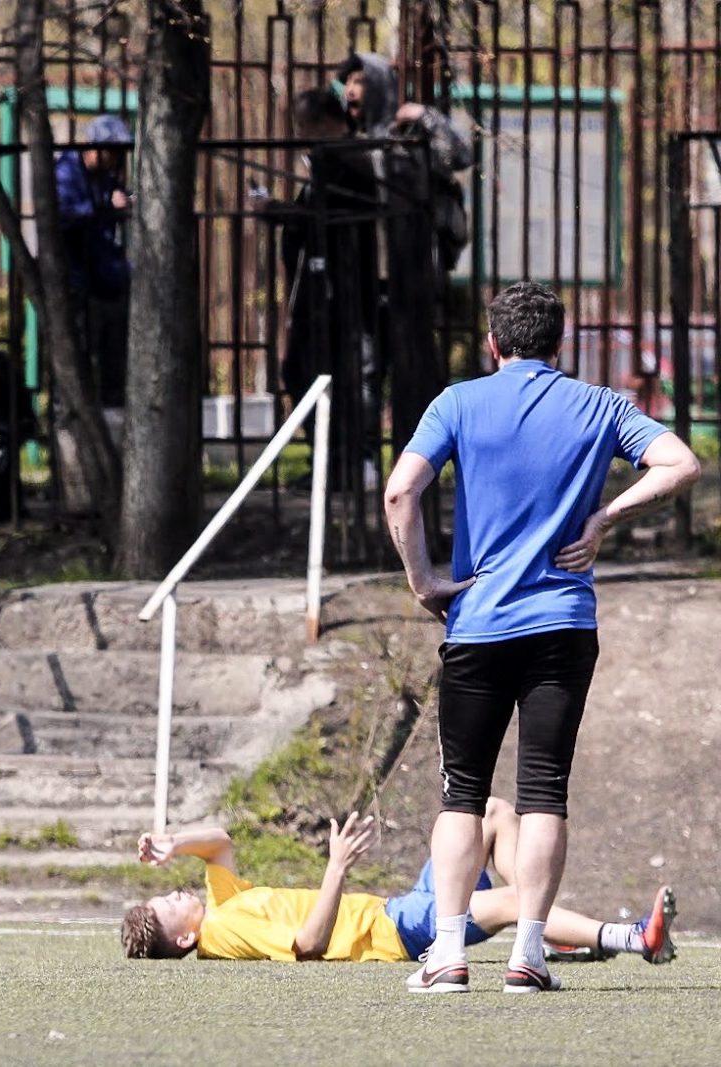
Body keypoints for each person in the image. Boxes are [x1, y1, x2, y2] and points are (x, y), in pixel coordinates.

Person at [382, 281, 700, 993]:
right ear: (562, 343)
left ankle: (450, 954)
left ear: (494, 343)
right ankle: (529, 952)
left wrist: (424, 580)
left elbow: (400, 492)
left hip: (477, 622)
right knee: (543, 794)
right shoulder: (601, 405)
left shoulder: (457, 402)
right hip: (562, 625)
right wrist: (604, 518)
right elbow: (681, 463)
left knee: (461, 794)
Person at [121, 798, 677, 977]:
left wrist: (174, 841)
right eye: (167, 905)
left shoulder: (219, 905)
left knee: (492, 814)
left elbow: (219, 841)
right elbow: (307, 945)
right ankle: (632, 939)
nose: (174, 893)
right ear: (188, 940)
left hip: (401, 907)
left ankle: (548, 939)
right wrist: (335, 867)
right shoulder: (223, 931)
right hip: (401, 933)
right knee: (511, 902)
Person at [338, 51, 474, 463]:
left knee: (415, 376)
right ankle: (363, 462)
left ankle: (421, 464)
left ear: (378, 87)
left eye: (359, 80)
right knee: (364, 373)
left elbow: (462, 156)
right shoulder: (348, 147)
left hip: (411, 281)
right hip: (363, 282)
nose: (350, 91)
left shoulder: (410, 142)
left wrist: (426, 116)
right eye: (347, 83)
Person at [254, 87, 378, 487]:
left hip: (339, 289)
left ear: (323, 122)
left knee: (323, 374)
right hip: (322, 287)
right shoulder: (335, 158)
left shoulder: (343, 158)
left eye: (304, 126)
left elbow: (320, 216)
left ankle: (341, 462)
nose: (302, 135)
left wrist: (273, 210)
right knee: (302, 371)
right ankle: (331, 459)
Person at [54, 113, 133, 411]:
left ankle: (113, 416)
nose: (115, 159)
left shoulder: (105, 178)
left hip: (108, 279)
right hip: (78, 282)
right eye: (111, 151)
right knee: (79, 357)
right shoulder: (67, 172)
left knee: (115, 359)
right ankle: (73, 422)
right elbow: (63, 217)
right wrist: (102, 206)